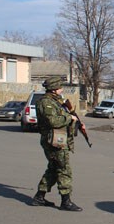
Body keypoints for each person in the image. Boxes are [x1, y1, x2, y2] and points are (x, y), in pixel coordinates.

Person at [31, 77, 84, 211]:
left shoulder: (57, 101)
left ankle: (39, 197)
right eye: (60, 87)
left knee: (54, 169)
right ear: (54, 89)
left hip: (59, 139)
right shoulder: (46, 102)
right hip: (54, 141)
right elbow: (53, 121)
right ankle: (66, 201)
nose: (62, 89)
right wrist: (69, 118)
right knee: (64, 169)